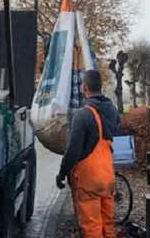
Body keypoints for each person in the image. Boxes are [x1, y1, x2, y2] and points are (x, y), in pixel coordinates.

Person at [56, 69, 120, 238]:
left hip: (89, 179)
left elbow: (72, 152)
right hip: (107, 176)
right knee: (107, 224)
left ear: (84, 87)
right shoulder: (113, 112)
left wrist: (62, 173)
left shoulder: (82, 114)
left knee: (92, 228)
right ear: (101, 86)